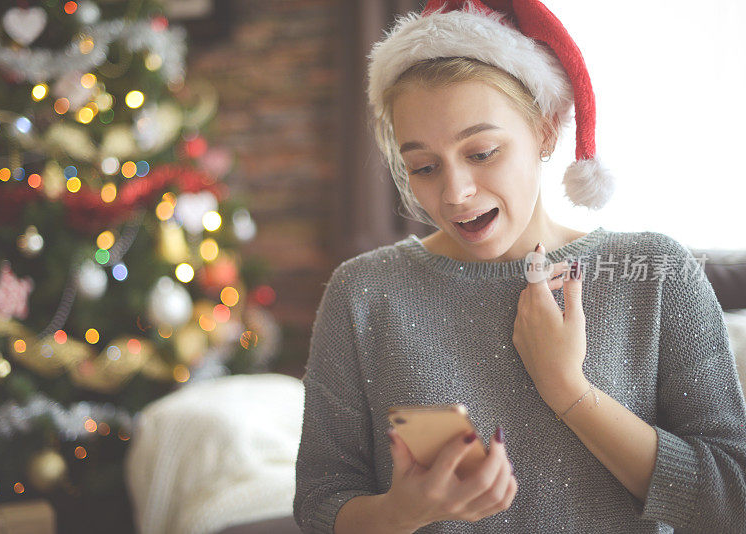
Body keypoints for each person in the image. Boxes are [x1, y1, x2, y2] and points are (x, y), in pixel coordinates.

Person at [293, 1, 746, 532]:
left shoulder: (657, 273)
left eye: (482, 152)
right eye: (423, 167)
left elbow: (730, 498)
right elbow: (320, 502)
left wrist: (567, 390)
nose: (456, 193)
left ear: (547, 128)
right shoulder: (363, 292)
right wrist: (403, 510)